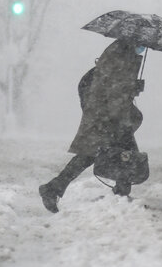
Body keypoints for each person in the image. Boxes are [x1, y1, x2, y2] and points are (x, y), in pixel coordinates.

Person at [38, 39, 146, 213]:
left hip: (108, 112)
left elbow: (114, 86)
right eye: (143, 43)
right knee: (117, 152)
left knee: (103, 153)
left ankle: (54, 188)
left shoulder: (124, 52)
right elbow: (112, 88)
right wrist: (131, 88)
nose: (144, 47)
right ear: (134, 39)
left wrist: (132, 88)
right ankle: (120, 196)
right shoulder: (119, 54)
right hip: (106, 114)